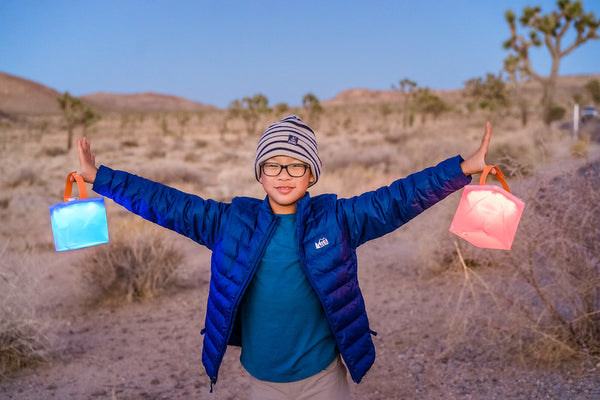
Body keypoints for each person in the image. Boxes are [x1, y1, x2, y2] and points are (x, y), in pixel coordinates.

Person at [75, 115, 493, 400]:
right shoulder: (230, 223)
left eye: (296, 167)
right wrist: (103, 179)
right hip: (264, 382)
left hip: (323, 378)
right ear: (259, 174)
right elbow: (169, 203)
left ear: (312, 174)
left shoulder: (338, 220)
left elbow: (397, 199)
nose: (284, 176)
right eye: (273, 166)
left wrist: (459, 170)